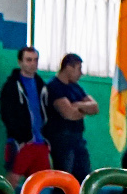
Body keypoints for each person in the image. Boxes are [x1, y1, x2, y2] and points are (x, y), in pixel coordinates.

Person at [40, 53, 99, 182]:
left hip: (78, 138)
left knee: (84, 179)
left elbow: (95, 108)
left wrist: (77, 105)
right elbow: (69, 114)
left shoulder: (76, 88)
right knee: (64, 181)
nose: (81, 73)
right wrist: (83, 109)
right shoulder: (54, 86)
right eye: (79, 69)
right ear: (68, 67)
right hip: (61, 140)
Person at [0, 47, 48, 182]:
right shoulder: (11, 86)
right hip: (21, 143)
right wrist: (19, 138)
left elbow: (45, 113)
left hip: (40, 143)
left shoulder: (41, 86)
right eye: (29, 60)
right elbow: (6, 115)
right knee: (12, 180)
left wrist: (46, 139)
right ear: (20, 62)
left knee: (40, 183)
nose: (33, 63)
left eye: (35, 60)